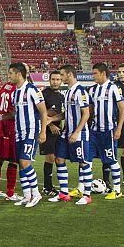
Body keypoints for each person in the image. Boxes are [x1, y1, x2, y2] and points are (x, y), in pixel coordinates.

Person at [49, 65, 93, 205]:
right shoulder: (68, 92)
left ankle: (87, 195)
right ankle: (63, 193)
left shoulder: (80, 91)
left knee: (83, 162)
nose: (60, 78)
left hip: (79, 134)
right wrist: (51, 119)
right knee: (59, 159)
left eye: (62, 75)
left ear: (69, 74)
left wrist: (77, 132)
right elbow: (66, 114)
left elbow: (86, 114)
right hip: (66, 133)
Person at [9, 62, 49, 208]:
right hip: (18, 132)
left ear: (19, 74)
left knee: (25, 162)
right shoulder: (14, 93)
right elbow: (15, 113)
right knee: (21, 163)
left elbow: (43, 111)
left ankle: (36, 193)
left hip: (31, 132)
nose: (9, 76)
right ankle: (27, 196)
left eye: (11, 73)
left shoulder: (32, 90)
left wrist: (43, 131)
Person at [88, 62, 124, 200]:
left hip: (108, 131)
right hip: (94, 131)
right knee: (86, 160)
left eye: (95, 73)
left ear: (103, 73)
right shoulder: (92, 90)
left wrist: (119, 128)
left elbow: (122, 109)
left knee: (111, 160)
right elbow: (90, 110)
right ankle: (83, 189)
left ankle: (117, 190)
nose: (93, 76)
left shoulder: (113, 88)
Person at [39, 72, 65, 197]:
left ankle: (50, 186)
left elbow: (61, 113)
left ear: (61, 81)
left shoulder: (60, 96)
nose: (55, 82)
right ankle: (47, 187)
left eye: (58, 79)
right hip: (47, 131)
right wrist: (50, 125)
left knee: (57, 158)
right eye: (53, 79)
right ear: (49, 80)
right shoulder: (44, 94)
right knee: (49, 158)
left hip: (58, 131)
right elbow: (40, 113)